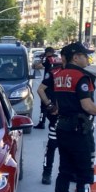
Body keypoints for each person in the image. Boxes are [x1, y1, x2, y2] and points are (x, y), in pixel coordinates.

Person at [52, 42, 96, 192]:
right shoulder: (81, 77)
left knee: (64, 172)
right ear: (76, 57)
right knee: (85, 174)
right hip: (79, 130)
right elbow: (87, 106)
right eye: (85, 55)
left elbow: (58, 105)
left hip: (63, 128)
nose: (87, 58)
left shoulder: (59, 76)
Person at [37, 48, 63, 184]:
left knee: (70, 147)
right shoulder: (54, 73)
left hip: (70, 117)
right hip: (56, 115)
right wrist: (49, 105)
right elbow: (40, 89)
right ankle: (47, 173)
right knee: (52, 145)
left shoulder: (77, 74)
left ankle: (72, 173)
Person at [35, 47, 57, 130]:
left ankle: (42, 122)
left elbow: (37, 66)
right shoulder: (57, 58)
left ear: (47, 53)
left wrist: (41, 59)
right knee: (56, 103)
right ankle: (55, 121)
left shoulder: (47, 59)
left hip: (47, 84)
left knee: (44, 104)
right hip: (56, 84)